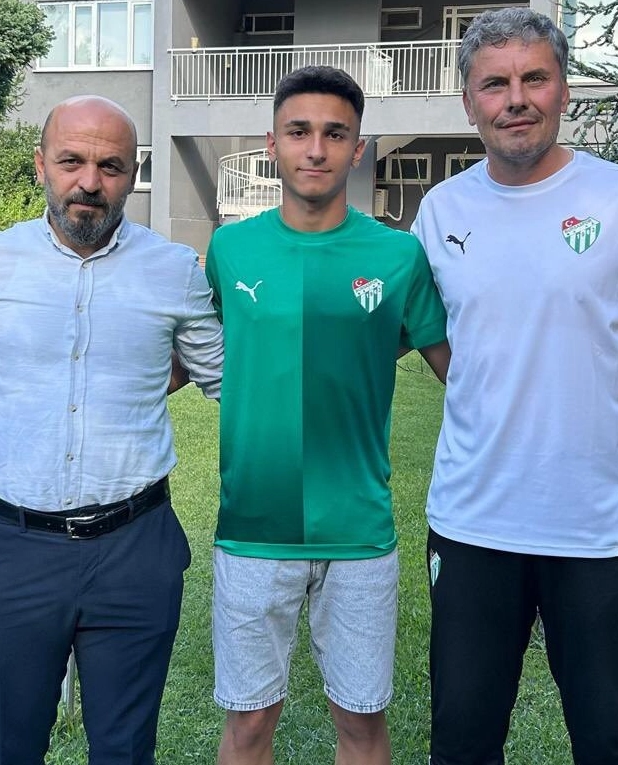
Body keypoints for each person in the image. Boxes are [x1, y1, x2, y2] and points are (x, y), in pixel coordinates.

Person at [410, 8, 618, 764]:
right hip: (473, 524)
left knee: (612, 743)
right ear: (469, 102)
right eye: (495, 84)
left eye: (534, 78)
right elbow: (435, 335)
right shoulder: (441, 210)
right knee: (461, 743)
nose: (515, 99)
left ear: (564, 90)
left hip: (604, 529)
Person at [0, 95, 223, 765]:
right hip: (14, 547)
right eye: (71, 161)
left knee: (125, 751)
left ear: (133, 174)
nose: (89, 182)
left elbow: (227, 377)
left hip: (136, 548)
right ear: (41, 164)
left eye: (110, 166)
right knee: (7, 747)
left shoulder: (174, 269)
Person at [205, 66, 450, 765]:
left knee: (362, 723)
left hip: (358, 529)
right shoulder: (229, 249)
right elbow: (189, 353)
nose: (316, 148)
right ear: (272, 144)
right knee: (249, 724)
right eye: (299, 131)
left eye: (335, 134)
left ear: (358, 149)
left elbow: (460, 374)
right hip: (252, 526)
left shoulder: (398, 256)